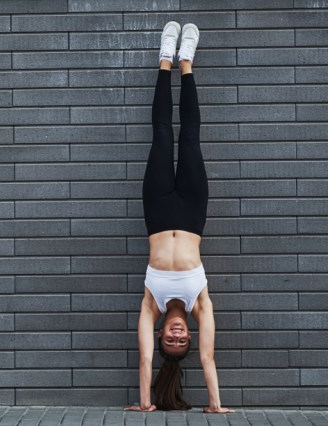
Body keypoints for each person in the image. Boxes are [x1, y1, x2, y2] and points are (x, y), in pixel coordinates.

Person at [125, 22, 234, 413]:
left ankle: (164, 60)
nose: (174, 337)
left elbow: (143, 360)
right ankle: (186, 61)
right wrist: (216, 405)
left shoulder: (150, 305)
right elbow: (208, 358)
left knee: (160, 136)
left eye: (168, 341)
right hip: (191, 209)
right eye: (180, 341)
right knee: (189, 135)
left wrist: (144, 402)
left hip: (156, 211)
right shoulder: (199, 304)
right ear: (188, 333)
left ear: (160, 335)